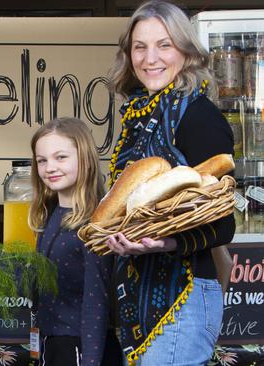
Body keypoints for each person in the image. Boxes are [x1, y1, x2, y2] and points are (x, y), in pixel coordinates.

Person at [105, 1, 235, 365]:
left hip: (184, 298)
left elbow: (225, 223)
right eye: (140, 46)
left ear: (187, 51)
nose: (150, 58)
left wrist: (167, 242)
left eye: (164, 45)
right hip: (139, 297)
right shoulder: (138, 118)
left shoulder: (197, 116)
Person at [0, 118, 121, 366]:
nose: (50, 167)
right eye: (42, 160)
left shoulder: (95, 223)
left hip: (82, 349)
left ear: (85, 159)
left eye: (61, 157)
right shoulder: (51, 215)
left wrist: (90, 362)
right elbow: (32, 283)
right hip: (50, 344)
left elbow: (95, 303)